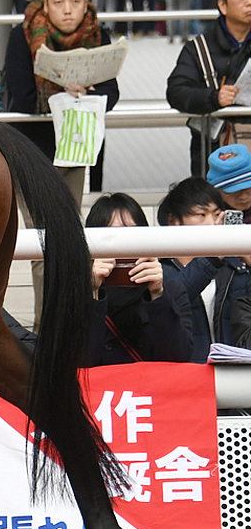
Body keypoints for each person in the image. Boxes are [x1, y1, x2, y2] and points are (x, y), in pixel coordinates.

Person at [3, 0, 120, 328]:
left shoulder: (98, 34)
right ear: (45, 3)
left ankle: (68, 327)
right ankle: (44, 330)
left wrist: (88, 92)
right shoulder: (23, 36)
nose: (67, 9)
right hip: (31, 153)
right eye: (58, 2)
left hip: (75, 149)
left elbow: (111, 93)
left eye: (75, 1)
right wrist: (59, 91)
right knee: (43, 244)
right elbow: (18, 98)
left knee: (69, 241)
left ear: (86, 3)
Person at [81, 194, 192, 365]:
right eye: (112, 236)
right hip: (103, 391)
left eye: (132, 233)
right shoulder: (76, 295)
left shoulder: (171, 290)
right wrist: (92, 293)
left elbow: (179, 358)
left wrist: (157, 294)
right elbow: (79, 363)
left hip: (151, 389)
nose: (125, 244)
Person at [166, 0, 251, 177]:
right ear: (222, 5)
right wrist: (214, 98)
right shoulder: (199, 49)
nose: (249, 3)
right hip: (213, 155)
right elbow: (176, 91)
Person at [158, 176, 251, 362]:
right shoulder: (161, 269)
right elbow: (172, 302)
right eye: (201, 215)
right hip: (188, 378)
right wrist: (213, 256)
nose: (211, 223)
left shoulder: (235, 267)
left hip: (235, 378)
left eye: (217, 214)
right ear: (174, 221)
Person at [206, 142, 251, 218]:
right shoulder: (206, 219)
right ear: (217, 192)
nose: (243, 197)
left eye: (248, 189)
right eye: (233, 192)